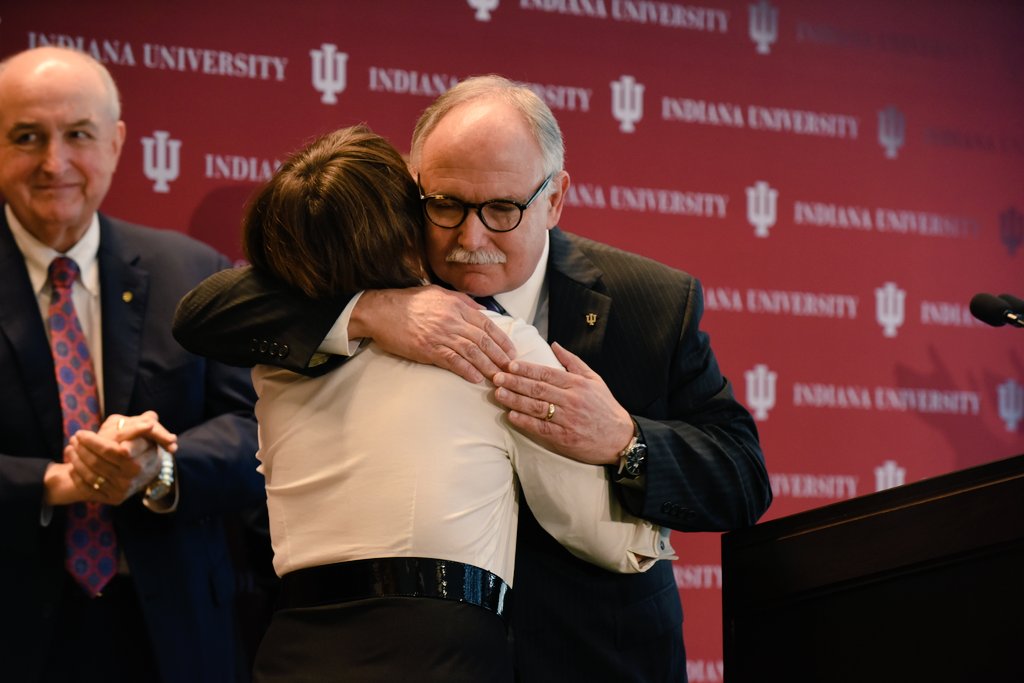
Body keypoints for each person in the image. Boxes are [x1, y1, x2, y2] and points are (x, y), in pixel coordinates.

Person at [175, 75, 772, 682]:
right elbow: (206, 312)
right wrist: (370, 311)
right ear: (414, 190)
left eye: (502, 210)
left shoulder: (652, 300)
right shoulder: (370, 275)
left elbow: (742, 477)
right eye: (447, 205)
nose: (470, 237)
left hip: (594, 658)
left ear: (554, 199)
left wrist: (624, 441)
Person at [239, 123, 670, 681]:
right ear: (406, 224)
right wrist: (633, 479)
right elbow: (594, 531)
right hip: (436, 653)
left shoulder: (276, 360)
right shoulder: (492, 344)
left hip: (294, 650)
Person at [0, 46, 264, 683]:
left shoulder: (193, 272)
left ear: (116, 143)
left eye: (79, 135)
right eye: (27, 137)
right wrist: (53, 482)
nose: (54, 162)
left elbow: (255, 428)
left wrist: (159, 467)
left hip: (172, 633)